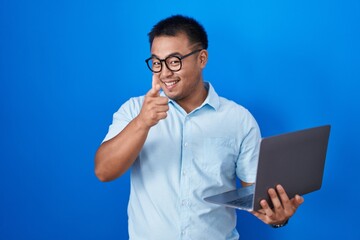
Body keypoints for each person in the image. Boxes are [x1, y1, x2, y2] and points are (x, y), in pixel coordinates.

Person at [95, 15, 304, 239]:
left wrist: (278, 217)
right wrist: (142, 122)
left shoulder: (239, 120)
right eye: (157, 62)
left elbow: (258, 198)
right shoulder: (135, 110)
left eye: (174, 61)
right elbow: (104, 171)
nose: (164, 73)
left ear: (201, 58)